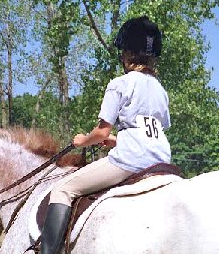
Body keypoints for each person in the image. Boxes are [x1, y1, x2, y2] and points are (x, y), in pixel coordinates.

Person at [40, 16, 171, 254]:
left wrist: (83, 140)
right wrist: (115, 141)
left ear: (127, 53)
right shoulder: (160, 90)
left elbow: (101, 131)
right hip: (161, 159)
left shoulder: (120, 84)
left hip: (131, 160)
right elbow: (150, 129)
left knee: (62, 189)